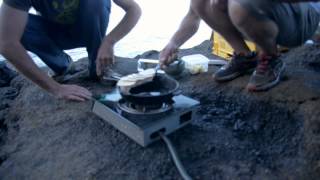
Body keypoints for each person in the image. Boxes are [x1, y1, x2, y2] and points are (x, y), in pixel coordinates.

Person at [159, 0, 320, 91]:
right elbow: (193, 14)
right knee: (202, 2)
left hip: (302, 19)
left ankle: (270, 57)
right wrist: (172, 44)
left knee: (240, 4)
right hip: (259, 12)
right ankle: (244, 56)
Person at [0, 0, 141, 101]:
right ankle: (62, 65)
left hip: (88, 29)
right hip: (54, 36)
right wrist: (56, 89)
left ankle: (97, 66)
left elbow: (134, 9)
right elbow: (7, 43)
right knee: (10, 27)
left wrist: (109, 41)